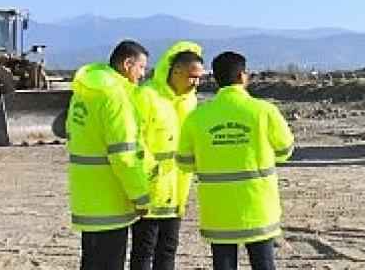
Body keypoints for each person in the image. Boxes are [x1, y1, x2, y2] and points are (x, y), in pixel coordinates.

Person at [179, 51, 294, 270]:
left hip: (218, 210)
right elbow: (285, 150)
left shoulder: (196, 117)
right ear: (242, 76)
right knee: (263, 264)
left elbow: (184, 162)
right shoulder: (264, 111)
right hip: (257, 207)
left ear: (215, 79)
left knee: (223, 264)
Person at [67, 40, 152, 270]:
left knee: (91, 262)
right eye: (141, 68)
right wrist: (141, 197)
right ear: (127, 64)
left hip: (87, 199)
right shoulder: (116, 97)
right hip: (110, 201)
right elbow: (124, 156)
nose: (143, 74)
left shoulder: (85, 91)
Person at [130, 41, 206, 270]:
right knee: (144, 251)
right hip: (150, 193)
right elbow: (134, 141)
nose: (196, 82)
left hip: (177, 193)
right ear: (176, 71)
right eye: (192, 76)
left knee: (168, 250)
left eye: (199, 77)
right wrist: (151, 173)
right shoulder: (146, 96)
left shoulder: (190, 101)